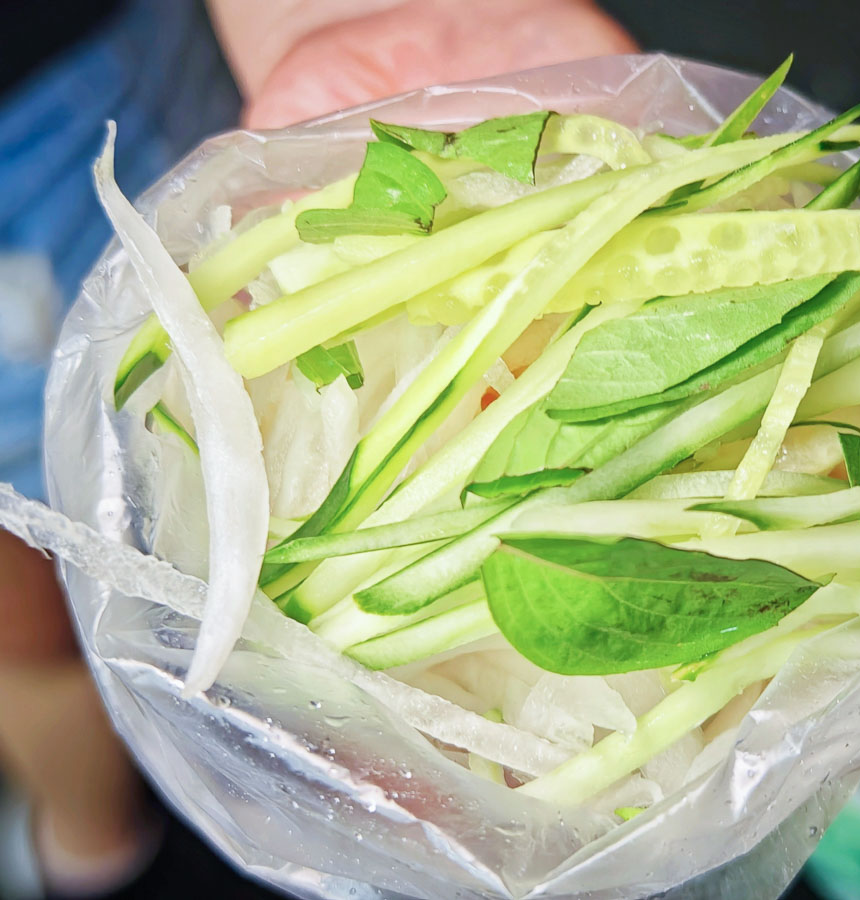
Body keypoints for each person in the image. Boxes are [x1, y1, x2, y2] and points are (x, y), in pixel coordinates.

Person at [0, 2, 633, 896]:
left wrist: (352, 18)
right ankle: (91, 836)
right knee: (46, 599)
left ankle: (86, 843)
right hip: (70, 123)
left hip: (111, 59)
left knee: (238, 259)